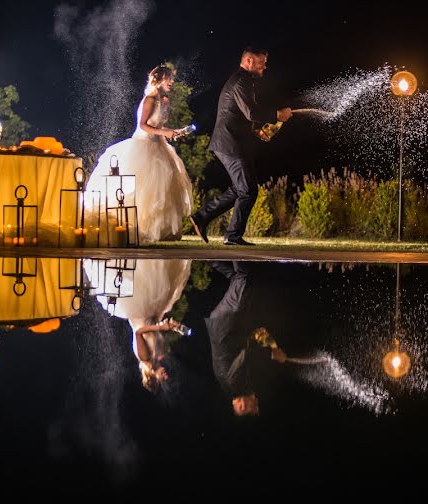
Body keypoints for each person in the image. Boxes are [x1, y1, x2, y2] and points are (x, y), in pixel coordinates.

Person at [189, 47, 293, 246]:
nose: (265, 66)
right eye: (261, 61)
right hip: (230, 144)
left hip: (231, 142)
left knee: (240, 189)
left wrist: (256, 131)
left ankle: (202, 217)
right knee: (248, 191)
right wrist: (278, 115)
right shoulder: (241, 81)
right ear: (248, 61)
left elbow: (240, 113)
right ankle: (233, 236)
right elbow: (251, 113)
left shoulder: (245, 81)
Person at [86, 65, 193, 244]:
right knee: (144, 187)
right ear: (158, 80)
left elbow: (157, 127)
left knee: (164, 185)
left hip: (160, 146)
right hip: (144, 145)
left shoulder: (165, 101)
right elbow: (143, 125)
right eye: (169, 78)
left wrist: (172, 132)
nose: (172, 82)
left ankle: (161, 229)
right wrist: (163, 133)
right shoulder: (149, 100)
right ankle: (140, 226)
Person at [88, 258, 193, 392]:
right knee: (162, 281)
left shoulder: (144, 357)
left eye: (162, 379)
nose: (166, 376)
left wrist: (160, 327)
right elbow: (153, 326)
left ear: (151, 376)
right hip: (151, 311)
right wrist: (172, 326)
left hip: (139, 310)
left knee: (143, 275)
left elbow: (138, 332)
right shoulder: (158, 355)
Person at [205, 261, 288, 416]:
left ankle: (232, 241)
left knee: (245, 278)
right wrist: (273, 347)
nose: (256, 400)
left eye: (254, 406)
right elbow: (255, 336)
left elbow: (247, 352)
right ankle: (211, 257)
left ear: (241, 407)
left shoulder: (235, 385)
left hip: (228, 320)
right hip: (227, 324)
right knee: (236, 278)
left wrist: (274, 351)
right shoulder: (231, 386)